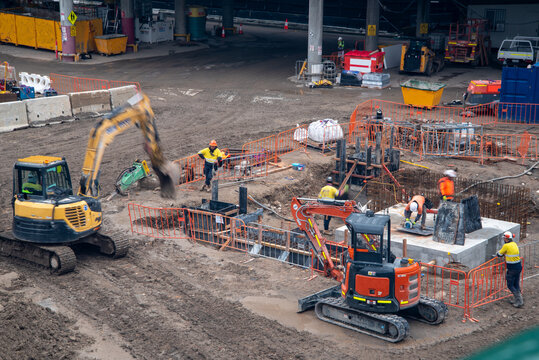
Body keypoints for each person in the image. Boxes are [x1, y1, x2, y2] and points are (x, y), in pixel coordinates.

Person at [497, 231, 523, 308]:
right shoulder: (514, 244)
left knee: (510, 285)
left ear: (507, 238)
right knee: (516, 283)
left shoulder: (506, 246)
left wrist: (498, 253)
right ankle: (517, 300)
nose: (504, 239)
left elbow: (499, 254)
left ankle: (519, 300)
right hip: (518, 266)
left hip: (512, 268)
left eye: (504, 238)